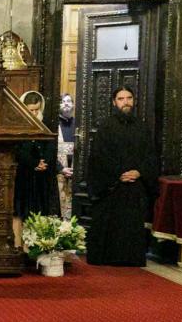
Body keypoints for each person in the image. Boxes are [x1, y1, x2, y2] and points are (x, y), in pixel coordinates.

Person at [86, 86, 159, 267]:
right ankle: (107, 257)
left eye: (128, 98)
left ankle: (130, 258)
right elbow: (99, 157)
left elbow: (150, 155)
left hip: (135, 185)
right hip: (112, 186)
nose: (125, 102)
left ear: (133, 101)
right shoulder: (106, 127)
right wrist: (119, 174)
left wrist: (139, 171)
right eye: (121, 98)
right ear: (114, 102)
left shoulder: (142, 128)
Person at [13, 91, 60, 243]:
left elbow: (51, 145)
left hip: (42, 178)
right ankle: (22, 246)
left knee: (41, 211)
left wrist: (43, 163)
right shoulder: (17, 125)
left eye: (36, 110)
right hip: (24, 177)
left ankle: (40, 246)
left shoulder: (46, 125)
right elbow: (17, 150)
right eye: (30, 110)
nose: (34, 113)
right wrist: (33, 163)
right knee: (23, 212)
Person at [56, 93, 76, 218]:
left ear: (73, 105)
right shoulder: (54, 124)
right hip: (59, 172)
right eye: (63, 101)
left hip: (75, 172)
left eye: (69, 101)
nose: (67, 103)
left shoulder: (78, 124)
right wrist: (61, 168)